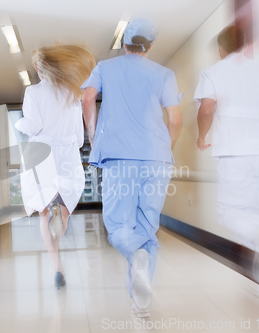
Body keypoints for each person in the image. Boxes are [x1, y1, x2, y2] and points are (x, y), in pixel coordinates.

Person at [81, 18, 182, 317]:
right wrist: (165, 147)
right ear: (150, 46)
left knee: (118, 226)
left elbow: (88, 98)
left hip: (120, 157)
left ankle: (136, 259)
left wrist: (93, 135)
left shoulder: (105, 67)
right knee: (148, 227)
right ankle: (141, 304)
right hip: (157, 159)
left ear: (124, 43)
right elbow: (175, 119)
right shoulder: (165, 74)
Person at [195, 26, 259, 288]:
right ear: (245, 45)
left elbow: (206, 110)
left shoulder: (214, 72)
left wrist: (202, 137)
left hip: (235, 150)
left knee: (230, 212)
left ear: (221, 48)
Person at [15, 44, 95, 289]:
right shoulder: (72, 93)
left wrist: (20, 125)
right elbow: (78, 135)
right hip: (67, 154)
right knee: (65, 205)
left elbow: (33, 125)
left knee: (43, 211)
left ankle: (56, 265)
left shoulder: (33, 93)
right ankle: (60, 216)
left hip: (41, 155)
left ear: (39, 70)